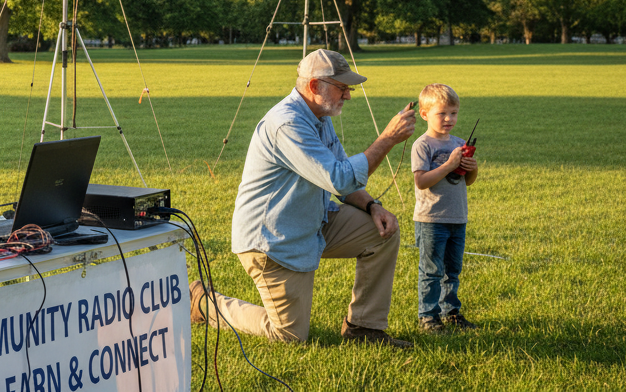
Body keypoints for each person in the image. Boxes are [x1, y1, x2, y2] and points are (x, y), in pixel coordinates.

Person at [191, 49, 417, 348]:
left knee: (381, 232)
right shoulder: (287, 124)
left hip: (311, 221)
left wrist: (372, 206)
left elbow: (340, 176)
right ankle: (204, 302)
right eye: (342, 87)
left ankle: (364, 328)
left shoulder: (319, 116)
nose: (348, 96)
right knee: (289, 336)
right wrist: (387, 139)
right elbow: (339, 178)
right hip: (273, 240)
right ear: (314, 86)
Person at [411, 83, 480, 333]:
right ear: (424, 114)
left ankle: (450, 312)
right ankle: (428, 317)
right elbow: (421, 181)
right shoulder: (423, 145)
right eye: (442, 113)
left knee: (452, 270)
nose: (449, 119)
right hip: (431, 219)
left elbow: (468, 181)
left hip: (457, 217)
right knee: (431, 271)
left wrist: (471, 168)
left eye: (454, 113)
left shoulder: (459, 143)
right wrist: (449, 165)